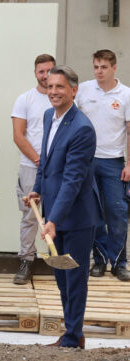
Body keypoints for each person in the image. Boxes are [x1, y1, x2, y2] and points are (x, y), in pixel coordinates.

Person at [25, 65, 101, 349]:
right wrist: (37, 189)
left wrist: (53, 219)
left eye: (60, 87)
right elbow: (45, 161)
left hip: (76, 217)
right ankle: (73, 332)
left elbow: (72, 180)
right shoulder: (49, 116)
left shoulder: (82, 128)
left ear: (73, 90)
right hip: (54, 215)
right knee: (60, 275)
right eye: (50, 86)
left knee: (74, 278)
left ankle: (72, 337)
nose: (54, 91)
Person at [76, 49, 130, 281]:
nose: (99, 71)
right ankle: (98, 261)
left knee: (118, 213)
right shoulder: (84, 90)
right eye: (96, 66)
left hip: (115, 162)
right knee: (93, 214)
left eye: (104, 67)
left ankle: (119, 263)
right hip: (88, 161)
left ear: (114, 68)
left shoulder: (126, 94)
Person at [11, 54, 56, 284]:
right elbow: (18, 136)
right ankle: (26, 261)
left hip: (58, 170)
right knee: (30, 215)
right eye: (41, 71)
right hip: (31, 167)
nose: (46, 75)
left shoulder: (63, 98)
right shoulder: (25, 99)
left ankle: (58, 261)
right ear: (35, 73)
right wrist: (40, 160)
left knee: (59, 214)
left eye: (50, 70)